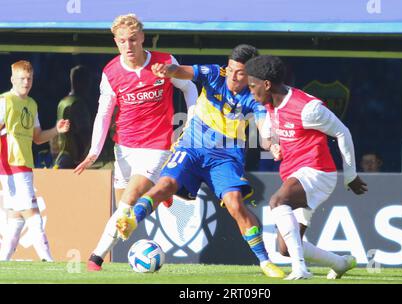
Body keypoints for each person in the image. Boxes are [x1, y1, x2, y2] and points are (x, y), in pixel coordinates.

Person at [116, 44, 286, 278]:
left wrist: (272, 143)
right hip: (192, 147)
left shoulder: (254, 96)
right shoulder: (216, 73)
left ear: (252, 75)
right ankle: (132, 220)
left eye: (241, 73)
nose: (234, 77)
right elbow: (184, 71)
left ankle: (265, 261)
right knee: (165, 186)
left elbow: (264, 129)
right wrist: (169, 70)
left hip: (226, 156)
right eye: (232, 69)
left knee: (235, 203)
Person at [73, 14, 198, 271]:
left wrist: (191, 124)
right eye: (122, 41)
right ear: (115, 42)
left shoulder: (164, 62)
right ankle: (163, 191)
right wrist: (94, 152)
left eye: (132, 39)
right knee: (124, 216)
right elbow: (104, 113)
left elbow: (189, 88)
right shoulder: (111, 72)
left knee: (127, 203)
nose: (128, 46)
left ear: (142, 38)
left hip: (156, 147)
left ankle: (95, 258)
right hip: (124, 148)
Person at [244, 55, 368, 280]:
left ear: (267, 84)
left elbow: (343, 131)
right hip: (295, 174)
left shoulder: (307, 108)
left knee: (277, 201)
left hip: (318, 173)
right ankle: (340, 263)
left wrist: (351, 176)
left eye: (253, 86)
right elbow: (270, 137)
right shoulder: (271, 104)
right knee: (284, 247)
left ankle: (300, 269)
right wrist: (274, 146)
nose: (251, 91)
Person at [0, 60, 70, 261]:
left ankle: (3, 262)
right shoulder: (4, 101)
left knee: (16, 218)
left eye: (29, 78)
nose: (26, 82)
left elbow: (37, 137)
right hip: (11, 165)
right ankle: (47, 260)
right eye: (22, 78)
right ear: (12, 79)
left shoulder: (32, 104)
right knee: (33, 214)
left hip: (25, 163)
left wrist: (57, 130)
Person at [55, 65, 93, 168]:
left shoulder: (63, 102)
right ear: (81, 82)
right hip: (74, 159)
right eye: (87, 81)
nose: (89, 86)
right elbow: (84, 133)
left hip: (61, 155)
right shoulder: (78, 104)